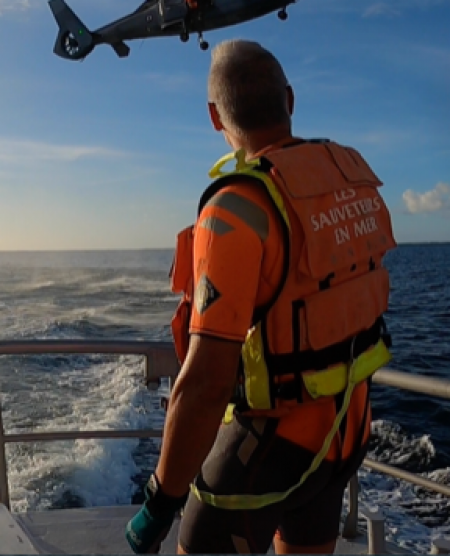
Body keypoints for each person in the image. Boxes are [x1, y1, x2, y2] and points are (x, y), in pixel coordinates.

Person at [126, 40, 397, 554]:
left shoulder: (236, 209)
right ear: (289, 100)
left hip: (269, 454)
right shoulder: (351, 181)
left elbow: (206, 383)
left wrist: (159, 502)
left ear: (214, 117)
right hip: (343, 437)